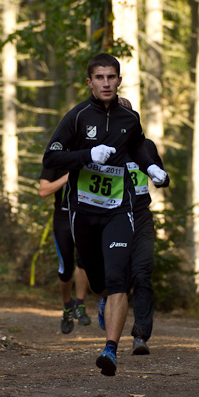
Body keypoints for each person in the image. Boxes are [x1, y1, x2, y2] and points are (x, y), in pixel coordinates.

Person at [43, 53, 168, 376]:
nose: (106, 83)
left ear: (119, 80)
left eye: (111, 77)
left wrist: (151, 166)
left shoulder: (129, 118)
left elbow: (139, 145)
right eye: (99, 78)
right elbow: (51, 157)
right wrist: (87, 155)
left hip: (118, 211)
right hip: (84, 213)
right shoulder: (78, 117)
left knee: (117, 280)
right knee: (97, 279)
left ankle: (110, 350)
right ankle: (103, 301)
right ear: (90, 82)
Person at [119, 97, 169, 356]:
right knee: (115, 278)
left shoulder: (146, 146)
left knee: (142, 274)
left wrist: (161, 178)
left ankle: (140, 335)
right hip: (112, 218)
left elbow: (160, 177)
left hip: (140, 217)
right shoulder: (104, 146)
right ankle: (107, 298)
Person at [39, 168, 92, 334]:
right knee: (66, 268)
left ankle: (80, 305)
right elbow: (43, 191)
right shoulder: (55, 159)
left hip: (86, 216)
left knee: (84, 261)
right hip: (63, 219)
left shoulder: (89, 155)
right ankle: (67, 306)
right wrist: (67, 177)